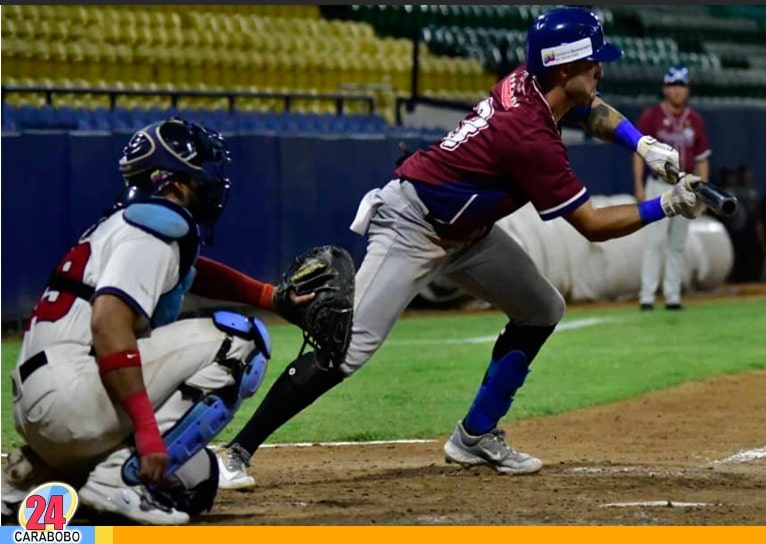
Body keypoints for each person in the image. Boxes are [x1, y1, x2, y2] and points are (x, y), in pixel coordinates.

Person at [215, 5, 706, 486]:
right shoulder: (529, 134)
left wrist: (640, 143)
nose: (600, 68)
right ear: (563, 67)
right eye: (592, 61)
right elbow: (593, 225)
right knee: (344, 348)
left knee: (541, 308)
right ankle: (237, 451)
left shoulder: (533, 82)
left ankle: (475, 434)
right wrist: (665, 207)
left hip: (470, 232)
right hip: (414, 225)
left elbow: (592, 108)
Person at [1, 118, 314, 525]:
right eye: (202, 175)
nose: (213, 185)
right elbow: (108, 322)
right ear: (175, 182)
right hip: (70, 397)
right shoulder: (154, 227)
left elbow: (192, 272)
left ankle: (30, 480)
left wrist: (268, 296)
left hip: (47, 406)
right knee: (240, 339)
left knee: (196, 478)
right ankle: (120, 480)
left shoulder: (131, 225)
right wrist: (148, 431)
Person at [634, 65, 711, 311]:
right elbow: (638, 153)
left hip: (686, 185)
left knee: (678, 243)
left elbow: (702, 158)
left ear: (687, 90)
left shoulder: (695, 120)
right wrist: (638, 185)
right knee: (654, 241)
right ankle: (647, 296)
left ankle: (672, 296)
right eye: (673, 85)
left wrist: (703, 190)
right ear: (665, 89)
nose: (678, 91)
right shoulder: (652, 116)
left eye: (682, 86)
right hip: (658, 184)